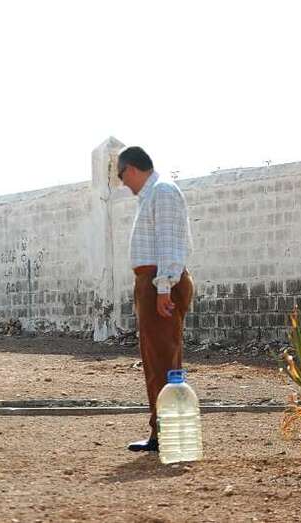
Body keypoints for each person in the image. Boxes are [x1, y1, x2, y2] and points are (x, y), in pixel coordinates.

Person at [117, 146, 194, 453]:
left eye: (121, 175)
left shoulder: (162, 191)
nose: (123, 183)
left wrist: (163, 288)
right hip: (152, 283)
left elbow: (170, 242)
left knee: (162, 360)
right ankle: (162, 430)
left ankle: (167, 433)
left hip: (158, 284)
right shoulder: (153, 194)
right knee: (157, 359)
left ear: (131, 169)